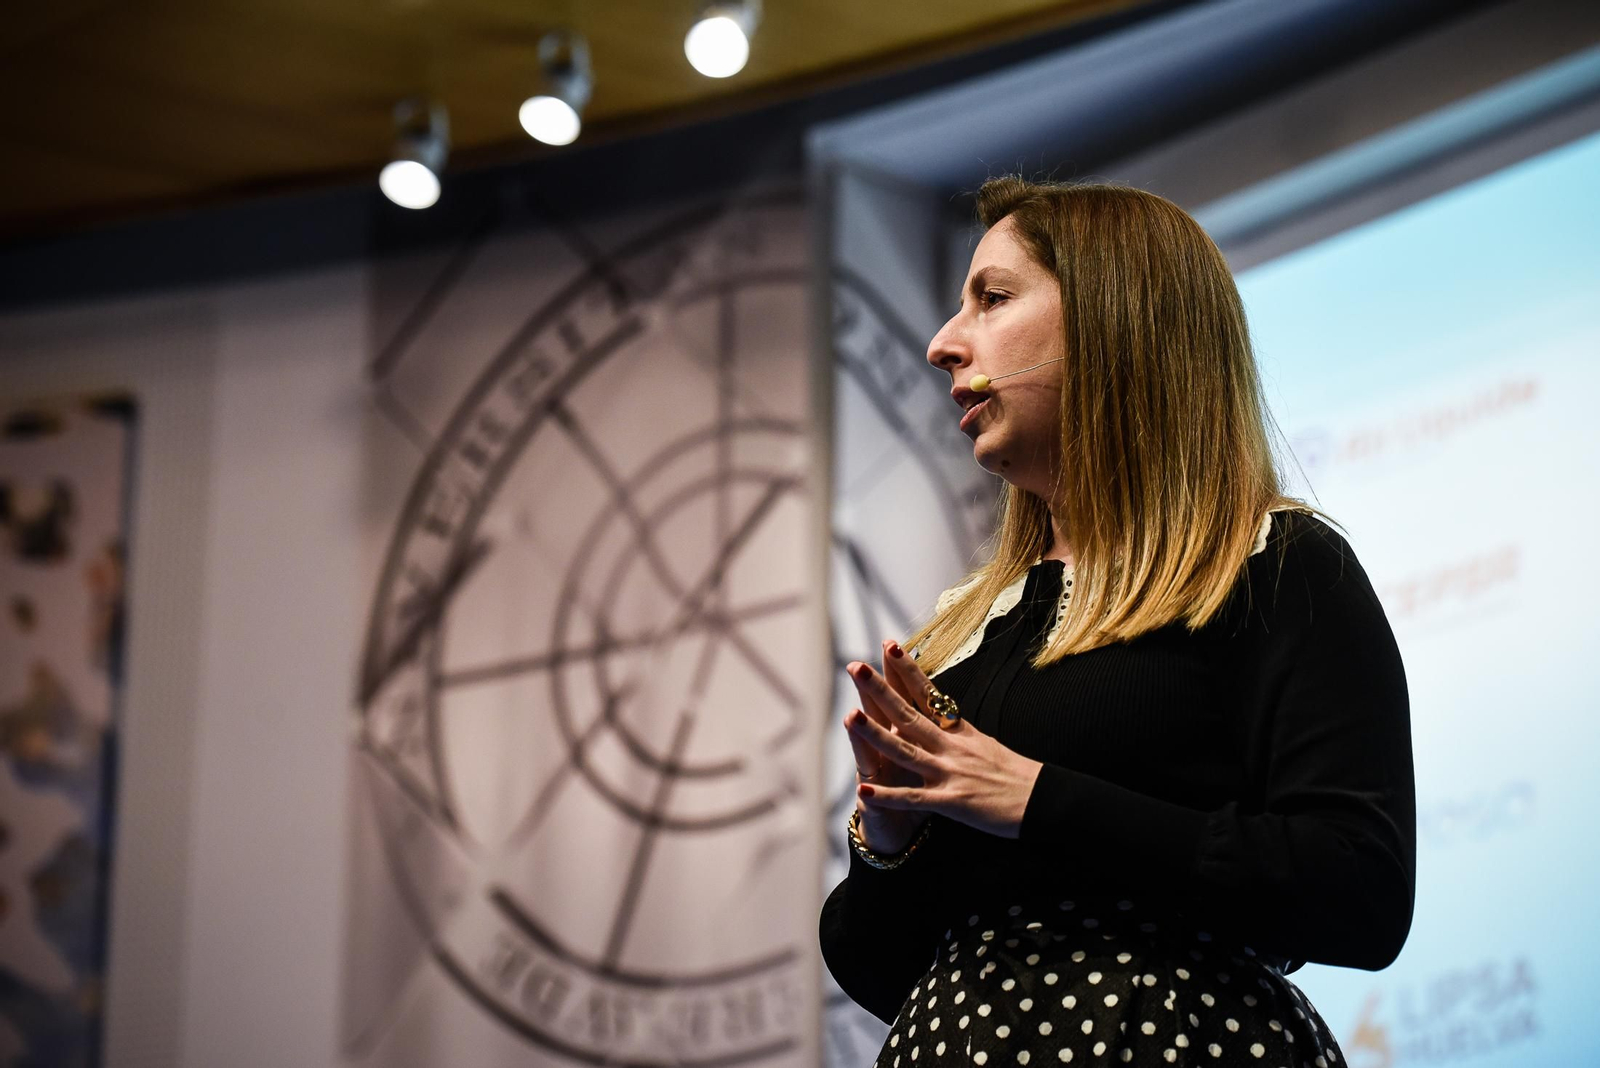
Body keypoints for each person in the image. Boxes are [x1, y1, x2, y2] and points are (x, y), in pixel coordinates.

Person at [818, 176, 1414, 1068]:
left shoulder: (1273, 566)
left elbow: (1359, 890)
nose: (943, 344)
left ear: (1115, 318)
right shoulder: (970, 636)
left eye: (994, 297)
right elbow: (884, 970)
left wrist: (1037, 800)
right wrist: (890, 840)